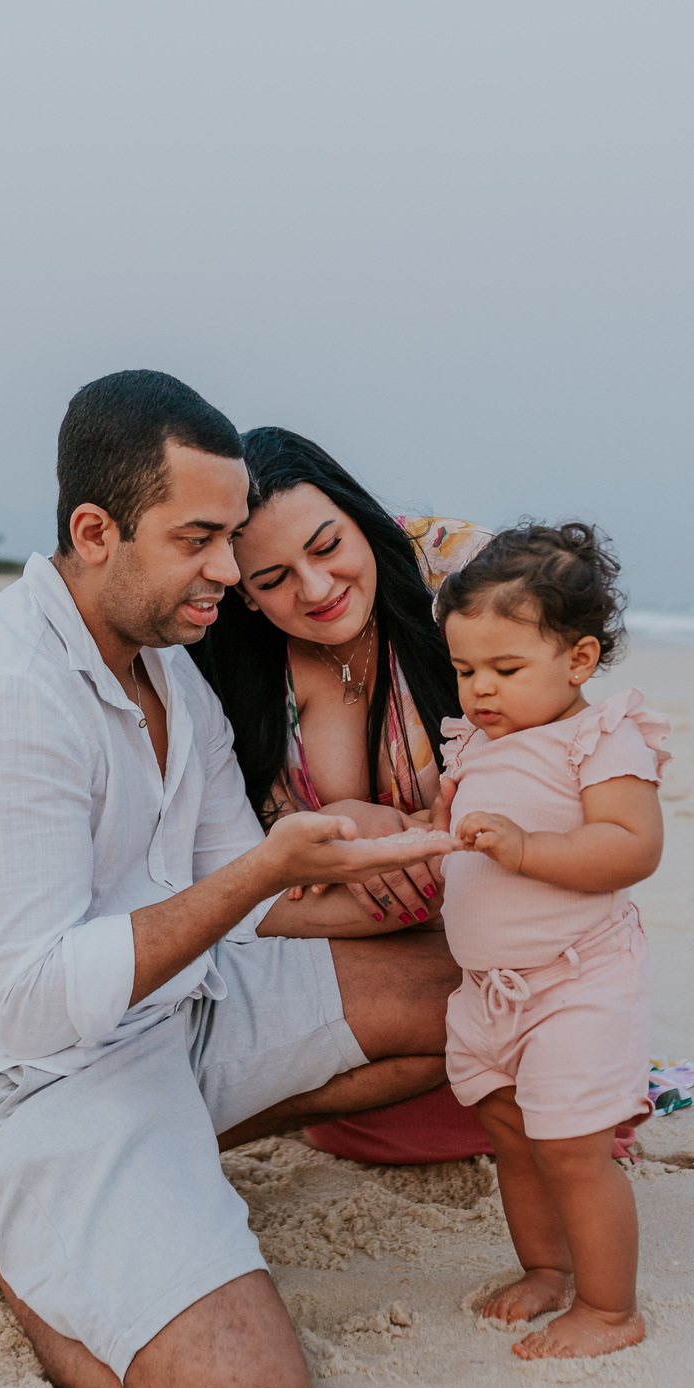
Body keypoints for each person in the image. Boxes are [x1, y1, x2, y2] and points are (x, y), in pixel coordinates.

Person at [0, 370, 462, 1388]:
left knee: (474, 986)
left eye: (234, 539)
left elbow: (236, 884)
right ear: (95, 530)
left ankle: (133, 1193)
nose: (229, 569)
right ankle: (14, 1240)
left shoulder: (167, 672)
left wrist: (416, 865)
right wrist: (268, 870)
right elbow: (36, 1003)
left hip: (171, 1015)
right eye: (201, 538)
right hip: (12, 1088)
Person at [191, 426, 495, 1164]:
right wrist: (344, 825)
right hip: (346, 963)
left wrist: (397, 836)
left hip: (485, 921)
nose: (317, 589)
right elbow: (228, 876)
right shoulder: (220, 669)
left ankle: (156, 1149)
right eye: (273, 580)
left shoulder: (460, 578)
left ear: (362, 518)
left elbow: (559, 768)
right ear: (246, 597)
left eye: (327, 547)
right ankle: (166, 1147)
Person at [435, 522, 670, 1359]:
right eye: (465, 671)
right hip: (491, 991)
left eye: (505, 670)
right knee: (509, 1134)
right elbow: (454, 833)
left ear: (576, 661)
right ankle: (545, 1269)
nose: (480, 691)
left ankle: (609, 1309)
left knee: (573, 1146)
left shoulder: (598, 738)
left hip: (579, 981)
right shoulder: (475, 745)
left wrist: (527, 849)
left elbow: (631, 845)